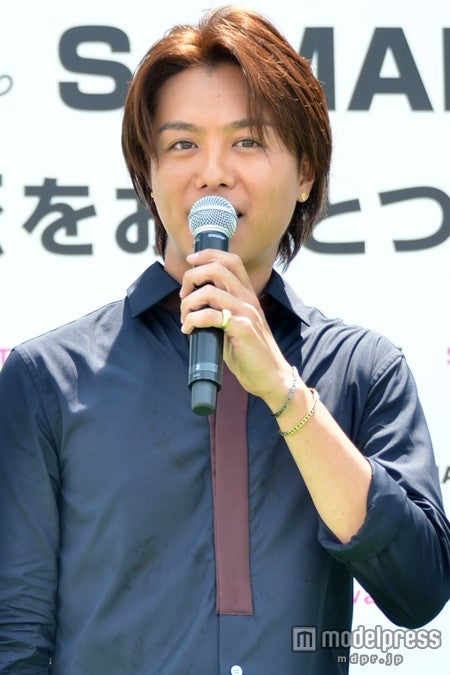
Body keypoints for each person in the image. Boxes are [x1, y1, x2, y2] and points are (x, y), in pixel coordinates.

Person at [0, 5, 449, 674]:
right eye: (182, 145)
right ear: (149, 173)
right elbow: (16, 639)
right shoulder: (48, 378)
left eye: (248, 141)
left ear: (305, 173)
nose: (212, 172)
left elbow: (419, 592)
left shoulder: (363, 370)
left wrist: (287, 394)